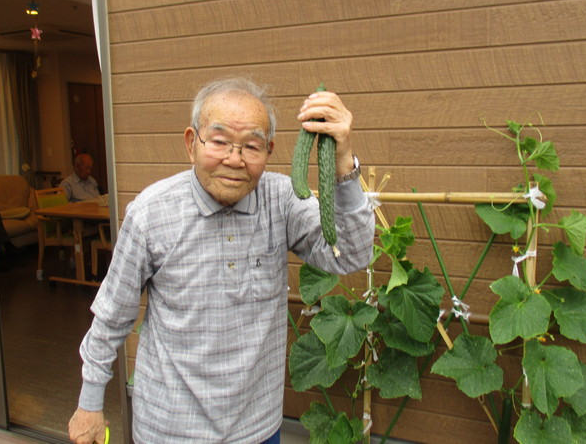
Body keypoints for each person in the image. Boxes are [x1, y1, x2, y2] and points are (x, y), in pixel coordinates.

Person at [68, 78, 376, 444]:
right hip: (169, 430)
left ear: (269, 150)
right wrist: (89, 403)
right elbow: (112, 315)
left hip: (257, 429)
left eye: (251, 146)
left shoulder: (281, 200)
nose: (235, 158)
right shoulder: (151, 214)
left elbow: (355, 252)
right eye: (219, 141)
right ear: (191, 143)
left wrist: (343, 160)